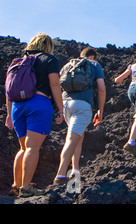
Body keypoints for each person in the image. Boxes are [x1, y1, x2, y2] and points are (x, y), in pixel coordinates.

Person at [4, 33, 64, 197]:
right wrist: (61, 108)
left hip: (17, 106)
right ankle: (25, 188)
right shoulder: (49, 59)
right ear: (48, 46)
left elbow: (9, 89)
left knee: (23, 148)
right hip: (39, 103)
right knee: (32, 147)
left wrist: (9, 114)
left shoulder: (18, 61)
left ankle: (16, 186)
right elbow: (54, 83)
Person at [53, 47, 106, 184]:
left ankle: (75, 170)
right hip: (82, 105)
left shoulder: (69, 65)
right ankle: (60, 174)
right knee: (71, 138)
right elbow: (101, 88)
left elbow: (57, 85)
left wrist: (59, 109)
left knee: (78, 135)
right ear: (93, 56)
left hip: (66, 104)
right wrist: (100, 110)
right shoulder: (94, 65)